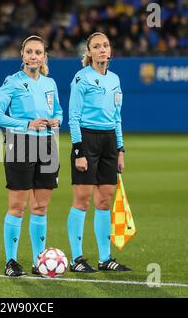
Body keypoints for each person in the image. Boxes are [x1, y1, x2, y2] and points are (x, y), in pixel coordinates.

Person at [0, 35, 63, 277]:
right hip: (20, 144)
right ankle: (11, 261)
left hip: (48, 146)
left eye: (38, 52)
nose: (33, 56)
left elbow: (59, 111)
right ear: (22, 55)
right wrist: (26, 124)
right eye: (29, 52)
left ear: (44, 57)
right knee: (17, 207)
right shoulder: (11, 82)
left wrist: (57, 120)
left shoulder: (49, 83)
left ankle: (38, 261)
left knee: (40, 207)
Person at [67, 32, 131, 273]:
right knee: (82, 201)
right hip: (87, 139)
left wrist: (120, 149)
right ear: (89, 53)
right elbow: (73, 116)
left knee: (104, 201)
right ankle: (77, 259)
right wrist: (78, 150)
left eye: (105, 45)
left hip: (108, 143)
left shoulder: (114, 79)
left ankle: (105, 258)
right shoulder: (81, 78)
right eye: (97, 46)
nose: (102, 49)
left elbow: (117, 118)